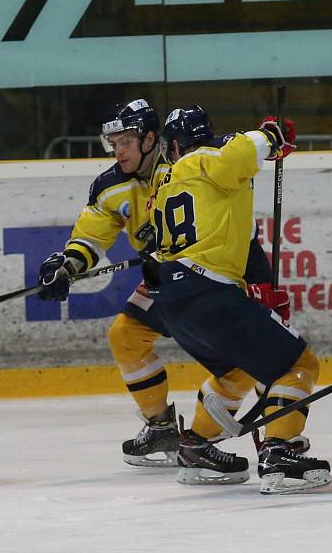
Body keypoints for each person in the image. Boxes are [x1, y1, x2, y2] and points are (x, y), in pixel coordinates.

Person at [37, 99, 286, 468]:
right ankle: (163, 427)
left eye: (125, 142)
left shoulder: (186, 158)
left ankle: (270, 440)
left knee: (257, 358)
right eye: (114, 144)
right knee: (126, 335)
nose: (117, 151)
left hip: (235, 267)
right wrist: (68, 263)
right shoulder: (110, 186)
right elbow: (92, 235)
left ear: (151, 139)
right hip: (170, 278)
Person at [144, 105, 331, 494]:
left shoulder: (166, 186)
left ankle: (196, 444)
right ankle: (280, 451)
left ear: (172, 145)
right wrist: (269, 136)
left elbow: (239, 237)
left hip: (173, 298)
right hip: (207, 290)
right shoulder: (203, 158)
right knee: (298, 364)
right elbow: (239, 152)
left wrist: (259, 286)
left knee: (235, 371)